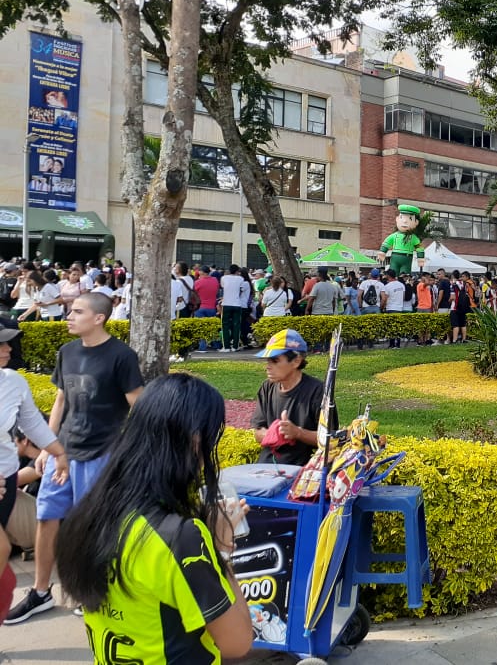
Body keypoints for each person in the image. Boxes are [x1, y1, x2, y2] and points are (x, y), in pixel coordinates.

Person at [54, 374, 253, 662]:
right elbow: (237, 642)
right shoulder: (179, 536)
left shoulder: (90, 515)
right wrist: (221, 552)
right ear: (195, 441)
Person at [7, 293, 144, 624]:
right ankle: (41, 591)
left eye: (77, 311)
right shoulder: (67, 352)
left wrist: (130, 451)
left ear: (99, 318)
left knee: (92, 526)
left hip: (101, 453)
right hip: (63, 454)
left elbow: (139, 406)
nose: (69, 316)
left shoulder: (121, 356)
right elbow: (60, 401)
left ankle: (91, 590)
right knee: (46, 518)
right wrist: (47, 446)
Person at [0, 328, 68, 623]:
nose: (8, 349)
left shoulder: (13, 382)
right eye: (1, 344)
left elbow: (32, 423)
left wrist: (58, 453)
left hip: (6, 479)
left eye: (7, 343)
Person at [250, 330, 333, 468]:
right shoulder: (267, 388)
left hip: (303, 472)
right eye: (267, 360)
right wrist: (273, 434)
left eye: (275, 361)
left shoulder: (318, 391)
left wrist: (298, 433)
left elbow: (331, 439)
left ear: (296, 361)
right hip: (265, 468)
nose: (268, 367)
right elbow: (257, 432)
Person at [219, 265, 248, 352]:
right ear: (237, 271)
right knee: (236, 325)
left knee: (225, 325)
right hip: (237, 304)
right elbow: (241, 290)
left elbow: (223, 286)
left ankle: (226, 347)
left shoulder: (224, 278)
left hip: (226, 303)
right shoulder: (241, 279)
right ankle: (235, 346)